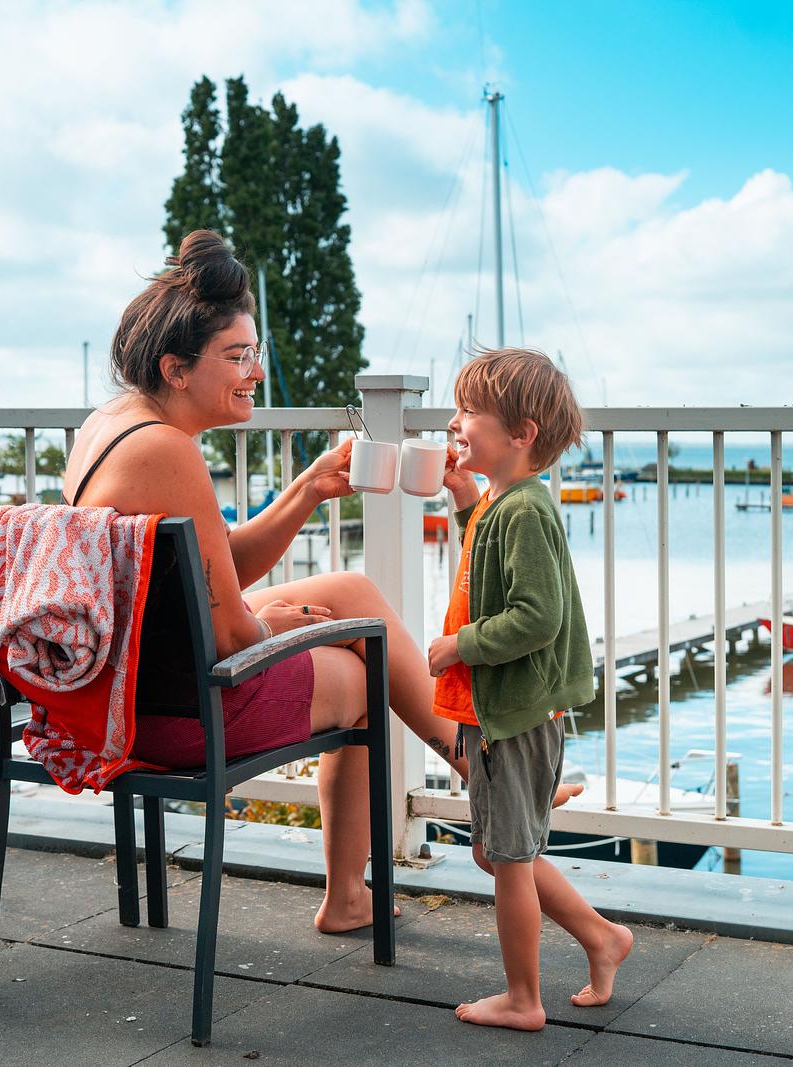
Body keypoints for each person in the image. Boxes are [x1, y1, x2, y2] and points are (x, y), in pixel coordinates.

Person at [64, 229, 472, 934]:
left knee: (349, 592)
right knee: (364, 675)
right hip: (176, 713)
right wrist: (273, 627)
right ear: (176, 368)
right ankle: (385, 862)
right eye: (236, 356)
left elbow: (215, 568)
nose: (254, 371)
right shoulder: (167, 450)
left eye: (254, 352)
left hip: (141, 677)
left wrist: (308, 488)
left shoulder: (114, 423)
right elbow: (231, 634)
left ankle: (473, 762)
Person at [426, 348, 633, 1031]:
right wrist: (465, 501)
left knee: (509, 860)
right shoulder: (500, 502)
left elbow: (537, 616)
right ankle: (602, 937)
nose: (454, 423)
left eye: (469, 412)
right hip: (496, 712)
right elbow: (487, 568)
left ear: (521, 433)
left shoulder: (525, 511)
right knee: (495, 851)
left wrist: (460, 645)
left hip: (513, 715)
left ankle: (524, 999)